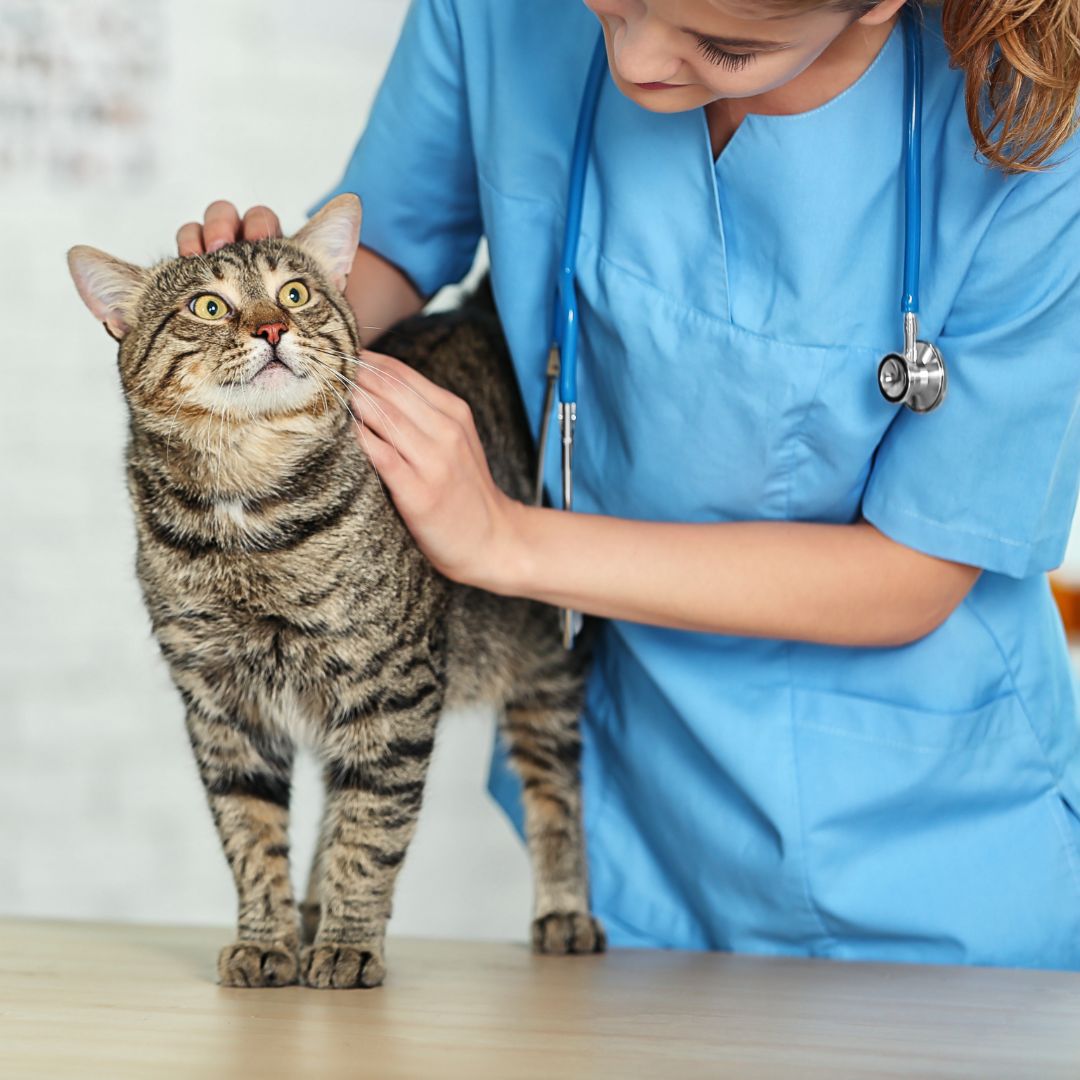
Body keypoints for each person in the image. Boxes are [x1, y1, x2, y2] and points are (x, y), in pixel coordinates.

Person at [177, 0, 1080, 969]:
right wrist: (264, 325)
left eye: (726, 46)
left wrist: (506, 542)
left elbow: (917, 569)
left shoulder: (1033, 135)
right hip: (632, 831)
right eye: (606, 3)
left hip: (936, 857)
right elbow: (390, 244)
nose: (637, 63)